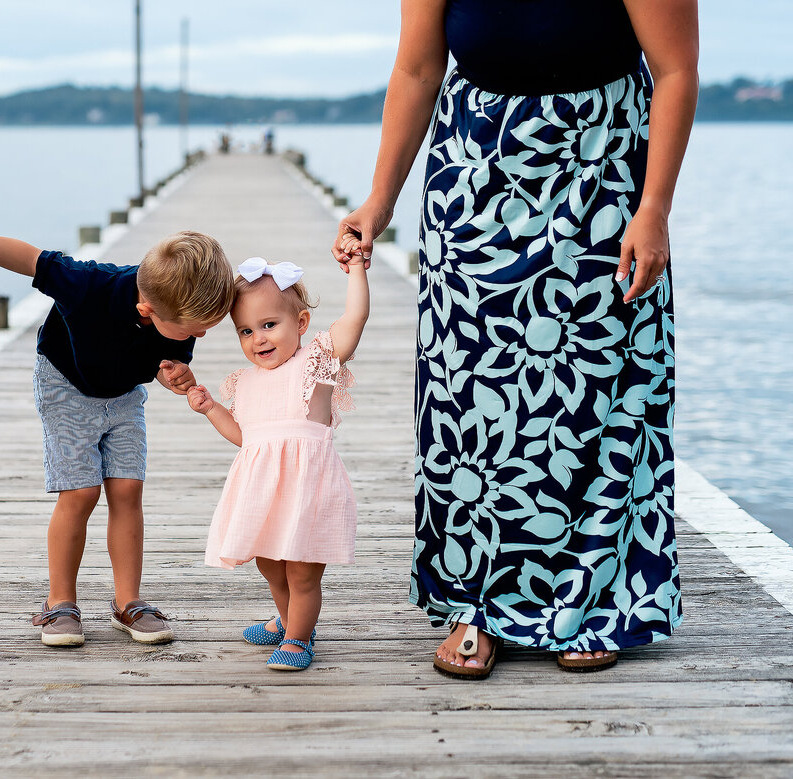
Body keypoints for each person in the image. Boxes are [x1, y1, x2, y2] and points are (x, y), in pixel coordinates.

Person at [333, 0, 697, 678]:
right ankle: (478, 600)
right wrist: (379, 200)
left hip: (603, 167)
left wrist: (654, 209)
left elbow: (675, 69)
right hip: (473, 169)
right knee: (468, 394)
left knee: (596, 393)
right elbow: (416, 68)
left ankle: (597, 601)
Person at [0, 227, 235, 646]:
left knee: (127, 489)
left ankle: (128, 602)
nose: (201, 335)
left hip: (122, 395)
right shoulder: (88, 285)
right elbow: (33, 259)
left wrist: (173, 371)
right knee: (81, 492)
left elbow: (165, 354)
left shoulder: (178, 311)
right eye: (194, 329)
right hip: (66, 386)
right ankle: (60, 602)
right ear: (147, 307)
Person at [184, 255, 369, 671]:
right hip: (263, 494)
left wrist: (357, 269)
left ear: (301, 323)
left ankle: (299, 637)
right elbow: (245, 437)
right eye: (246, 331)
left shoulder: (316, 362)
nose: (258, 339)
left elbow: (355, 317)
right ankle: (286, 619)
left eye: (270, 325)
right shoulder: (246, 381)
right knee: (271, 565)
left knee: (302, 572)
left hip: (308, 491)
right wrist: (212, 408)